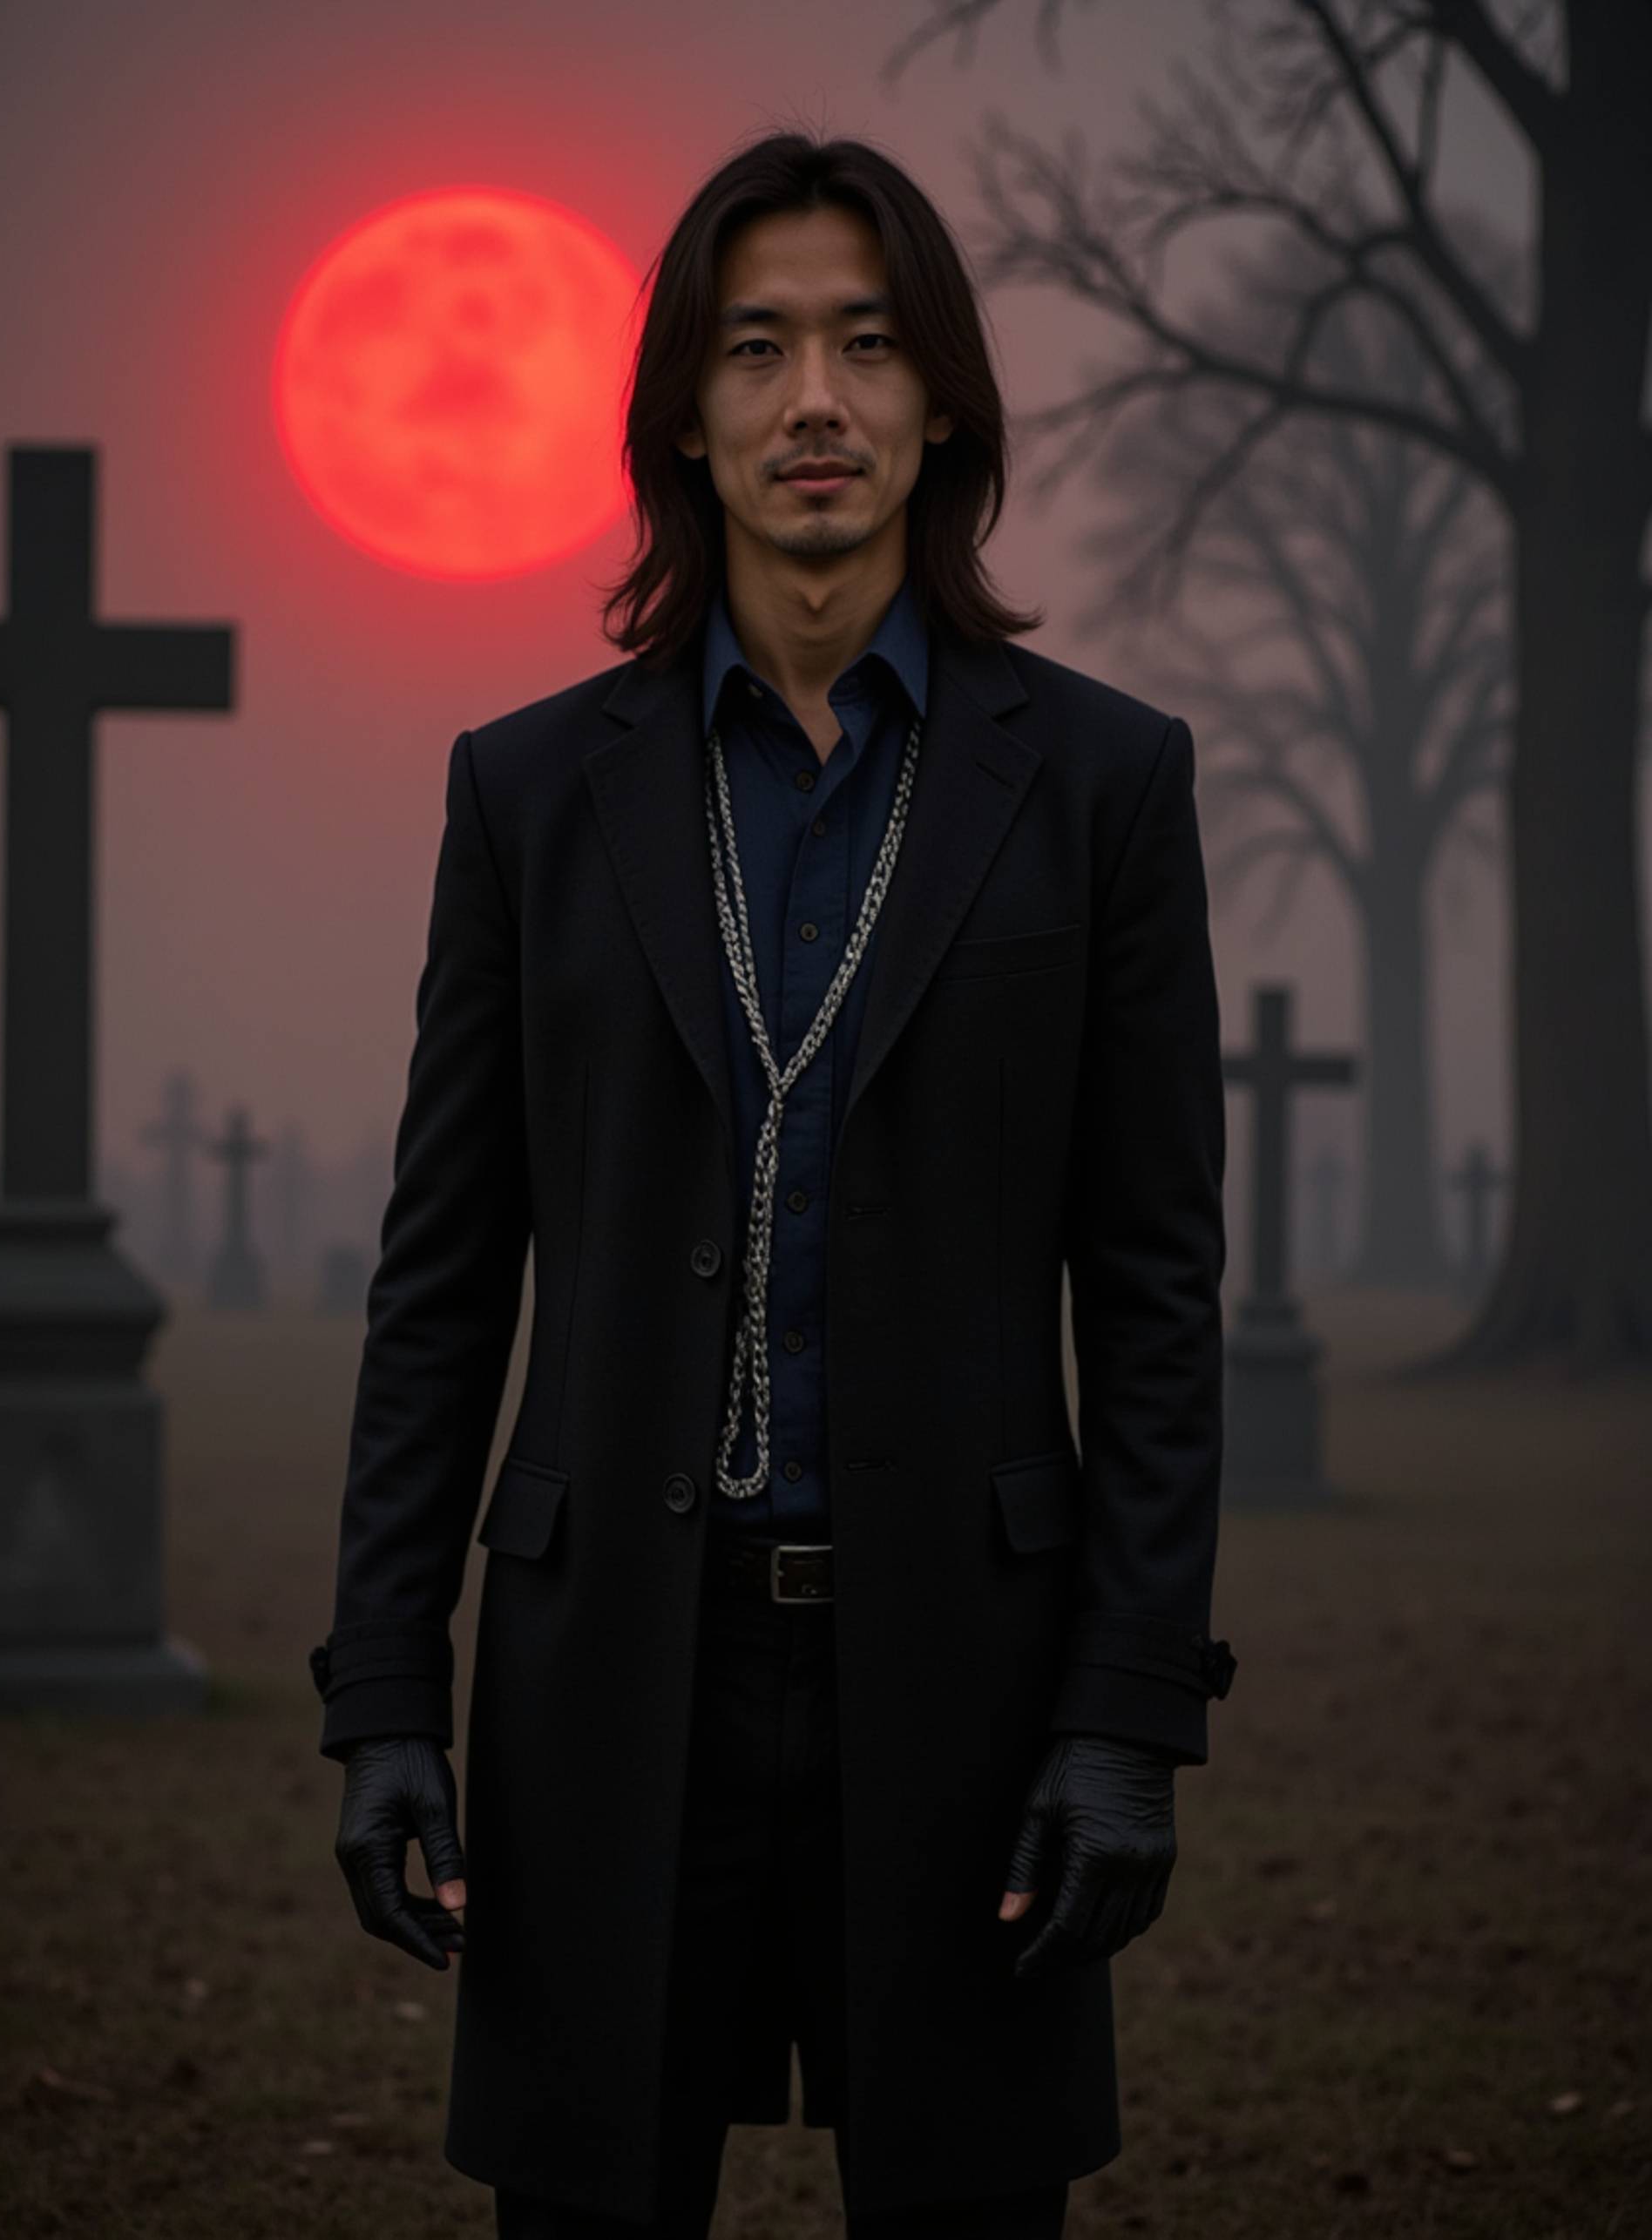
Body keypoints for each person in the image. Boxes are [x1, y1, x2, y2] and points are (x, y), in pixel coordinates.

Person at [310, 128, 1236, 2237]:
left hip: (974, 1672)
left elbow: (1157, 1293)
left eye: (866, 343)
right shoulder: (531, 793)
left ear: (939, 406)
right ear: (684, 415)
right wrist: (382, 1694)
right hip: (604, 1679)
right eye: (756, 348)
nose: (813, 398)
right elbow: (441, 1282)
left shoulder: (1101, 787)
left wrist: (1126, 1711)